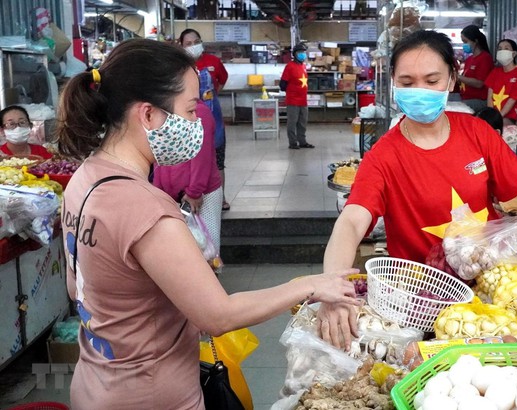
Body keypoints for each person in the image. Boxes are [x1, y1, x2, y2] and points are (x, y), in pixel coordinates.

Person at [55, 39, 359, 409]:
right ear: (148, 115)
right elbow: (218, 315)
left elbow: (77, 288)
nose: (197, 121)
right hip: (153, 396)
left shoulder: (85, 178)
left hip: (95, 382)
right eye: (189, 109)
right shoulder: (146, 208)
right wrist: (309, 284)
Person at [316, 30, 517, 349]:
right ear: (393, 81)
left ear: (452, 78)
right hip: (421, 306)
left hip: (491, 295)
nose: (420, 90)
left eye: (431, 80)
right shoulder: (384, 155)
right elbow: (351, 222)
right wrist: (333, 287)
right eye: (407, 81)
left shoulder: (477, 133)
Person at [153, 99, 223, 253]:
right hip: (171, 196)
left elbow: (201, 156)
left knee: (207, 251)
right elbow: (158, 155)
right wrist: (158, 191)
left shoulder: (199, 112)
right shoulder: (162, 112)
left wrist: (194, 191)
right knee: (181, 250)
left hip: (202, 194)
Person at [178, 29, 231, 210]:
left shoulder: (213, 62)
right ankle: (190, 194)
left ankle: (221, 198)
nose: (194, 46)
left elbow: (222, 80)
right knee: (193, 161)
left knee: (218, 161)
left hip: (214, 121)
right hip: (188, 122)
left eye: (196, 41)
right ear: (182, 46)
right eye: (189, 44)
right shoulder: (179, 66)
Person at [485, 38, 517, 125]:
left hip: (512, 117)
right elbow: (489, 96)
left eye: (506, 48)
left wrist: (498, 118)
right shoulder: (495, 72)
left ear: (514, 54)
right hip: (495, 116)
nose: (502, 51)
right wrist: (491, 116)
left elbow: (512, 99)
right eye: (500, 48)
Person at [280, 43, 315, 149]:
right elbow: (282, 84)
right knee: (292, 122)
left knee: (302, 123)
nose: (302, 55)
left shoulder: (303, 66)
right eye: (300, 53)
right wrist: (292, 91)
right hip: (293, 100)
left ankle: (302, 141)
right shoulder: (290, 66)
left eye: (304, 53)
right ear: (294, 54)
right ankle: (293, 142)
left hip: (303, 100)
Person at [458, 25, 494, 113]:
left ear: (476, 41)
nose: (464, 45)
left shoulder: (485, 58)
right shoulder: (469, 59)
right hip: (465, 97)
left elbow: (479, 83)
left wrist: (458, 77)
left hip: (480, 100)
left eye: (466, 41)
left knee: (455, 108)